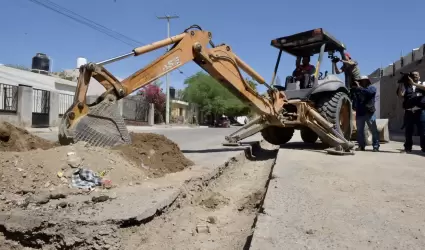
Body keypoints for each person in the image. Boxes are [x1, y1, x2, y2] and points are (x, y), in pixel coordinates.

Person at [396, 71, 425, 153]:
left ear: (419, 77)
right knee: (408, 131)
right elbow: (400, 96)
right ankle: (408, 147)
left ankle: (424, 147)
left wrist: (414, 84)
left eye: (416, 75)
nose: (415, 76)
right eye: (413, 75)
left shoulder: (422, 84)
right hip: (409, 112)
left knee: (423, 130)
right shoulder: (406, 86)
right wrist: (401, 84)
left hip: (420, 111)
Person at [351, 75, 380, 152]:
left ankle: (376, 146)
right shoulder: (358, 90)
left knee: (373, 130)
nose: (362, 82)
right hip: (360, 113)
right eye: (361, 80)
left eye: (364, 80)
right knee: (360, 131)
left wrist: (359, 88)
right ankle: (361, 146)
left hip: (369, 113)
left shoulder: (372, 88)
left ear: (367, 81)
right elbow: (355, 98)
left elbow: (369, 93)